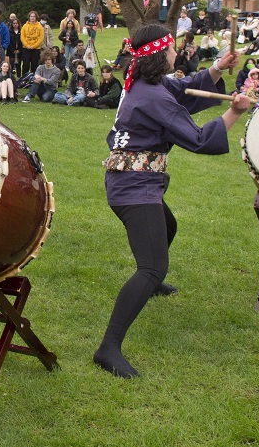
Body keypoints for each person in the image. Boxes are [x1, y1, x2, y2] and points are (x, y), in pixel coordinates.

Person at [94, 24, 250, 378]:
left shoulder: (149, 86)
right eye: (173, 49)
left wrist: (217, 68)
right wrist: (234, 113)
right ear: (160, 54)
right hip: (134, 188)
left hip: (129, 181)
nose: (177, 53)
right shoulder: (154, 97)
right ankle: (108, 348)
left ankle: (151, 285)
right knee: (150, 267)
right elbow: (197, 139)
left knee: (169, 225)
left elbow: (180, 89)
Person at [20, 11, 46, 76]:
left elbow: (41, 38)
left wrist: (34, 46)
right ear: (29, 17)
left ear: (36, 17)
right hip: (26, 48)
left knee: (34, 64)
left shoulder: (40, 27)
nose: (32, 18)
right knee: (26, 64)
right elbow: (22, 37)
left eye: (34, 16)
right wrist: (26, 45)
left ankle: (33, 78)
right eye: (31, 16)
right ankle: (24, 78)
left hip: (36, 49)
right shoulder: (25, 26)